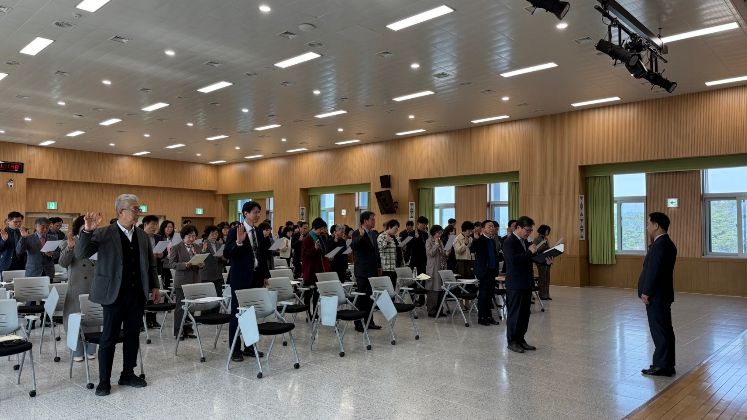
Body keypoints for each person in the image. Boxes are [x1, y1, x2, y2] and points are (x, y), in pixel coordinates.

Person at [75, 194, 160, 396]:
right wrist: (87, 230)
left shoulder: (142, 235)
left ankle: (128, 374)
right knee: (109, 337)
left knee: (132, 335)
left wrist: (154, 286)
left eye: (139, 209)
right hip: (113, 294)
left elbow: (151, 263)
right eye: (135, 209)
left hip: (137, 294)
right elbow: (81, 253)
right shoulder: (104, 233)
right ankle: (104, 380)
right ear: (121, 211)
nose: (138, 213)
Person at [225, 201, 267, 362]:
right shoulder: (236, 230)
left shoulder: (258, 232)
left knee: (251, 313)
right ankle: (235, 349)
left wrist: (265, 275)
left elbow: (262, 256)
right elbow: (228, 253)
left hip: (255, 277)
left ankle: (250, 346)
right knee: (237, 314)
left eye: (258, 212)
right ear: (245, 213)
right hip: (240, 278)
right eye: (255, 212)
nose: (257, 215)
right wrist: (239, 242)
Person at [503, 216, 551, 353]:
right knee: (515, 313)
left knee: (524, 313)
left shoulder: (525, 241)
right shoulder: (509, 242)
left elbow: (531, 258)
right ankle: (512, 341)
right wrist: (529, 251)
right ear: (518, 227)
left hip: (526, 282)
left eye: (530, 230)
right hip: (515, 283)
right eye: (527, 230)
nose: (529, 233)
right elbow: (513, 260)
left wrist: (545, 262)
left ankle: (521, 339)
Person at [639, 212, 678, 377]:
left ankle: (662, 366)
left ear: (656, 226)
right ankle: (667, 364)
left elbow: (654, 271)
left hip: (656, 295)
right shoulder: (666, 243)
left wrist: (646, 291)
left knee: (660, 330)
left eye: (649, 224)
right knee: (665, 329)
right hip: (662, 294)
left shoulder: (660, 245)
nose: (647, 227)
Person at [59, 215, 97, 361]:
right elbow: (63, 263)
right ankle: (76, 351)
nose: (89, 228)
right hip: (77, 286)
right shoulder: (70, 241)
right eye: (85, 226)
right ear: (79, 227)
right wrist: (70, 248)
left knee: (93, 318)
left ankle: (91, 348)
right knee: (74, 320)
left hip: (94, 285)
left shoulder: (97, 242)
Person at [350, 211, 382, 332]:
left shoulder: (373, 234)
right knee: (362, 298)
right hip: (362, 271)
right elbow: (353, 246)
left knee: (370, 298)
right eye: (372, 219)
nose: (374, 221)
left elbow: (376, 252)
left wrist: (379, 266)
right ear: (365, 221)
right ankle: (359, 323)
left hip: (372, 270)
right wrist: (361, 236)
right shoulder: (357, 233)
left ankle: (369, 322)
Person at [470, 220, 500, 326]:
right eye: (489, 226)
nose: (492, 228)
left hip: (492, 271)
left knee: (490, 295)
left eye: (493, 226)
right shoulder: (480, 240)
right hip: (484, 271)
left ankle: (489, 316)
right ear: (483, 229)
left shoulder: (492, 240)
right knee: (483, 295)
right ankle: (482, 317)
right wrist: (475, 239)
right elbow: (473, 249)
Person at [301, 218, 330, 316]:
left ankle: (315, 313)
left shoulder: (319, 237)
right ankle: (308, 314)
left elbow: (322, 251)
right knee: (308, 294)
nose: (321, 231)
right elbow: (305, 256)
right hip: (310, 270)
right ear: (314, 227)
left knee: (317, 293)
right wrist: (314, 249)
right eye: (320, 229)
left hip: (318, 270)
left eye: (322, 229)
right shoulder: (307, 238)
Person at [141, 215, 165, 329]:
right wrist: (150, 255)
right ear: (145, 225)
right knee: (143, 297)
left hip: (155, 269)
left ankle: (152, 320)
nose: (155, 227)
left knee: (154, 295)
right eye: (153, 224)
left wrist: (161, 255)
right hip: (143, 271)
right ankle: (141, 322)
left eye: (156, 224)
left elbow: (164, 253)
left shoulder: (159, 237)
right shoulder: (139, 236)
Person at [425, 225, 447, 317]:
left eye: (441, 233)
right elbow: (430, 253)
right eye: (439, 233)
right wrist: (436, 245)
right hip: (433, 268)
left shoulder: (440, 241)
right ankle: (431, 310)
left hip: (441, 267)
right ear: (434, 232)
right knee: (433, 288)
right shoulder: (429, 241)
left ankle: (440, 310)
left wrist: (446, 252)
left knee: (441, 288)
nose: (440, 234)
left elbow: (442, 254)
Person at [199, 225, 226, 301]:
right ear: (208, 234)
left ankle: (217, 309)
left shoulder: (220, 244)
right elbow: (199, 259)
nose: (214, 236)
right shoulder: (202, 244)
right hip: (207, 274)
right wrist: (203, 250)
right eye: (212, 234)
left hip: (218, 274)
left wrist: (222, 257)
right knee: (207, 297)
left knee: (218, 296)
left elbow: (225, 259)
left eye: (216, 234)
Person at [378, 219, 403, 289]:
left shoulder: (395, 237)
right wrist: (387, 241)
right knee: (388, 289)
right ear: (389, 227)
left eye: (397, 229)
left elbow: (397, 249)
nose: (396, 230)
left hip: (396, 267)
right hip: (387, 268)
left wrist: (402, 247)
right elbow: (380, 248)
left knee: (394, 288)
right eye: (395, 228)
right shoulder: (381, 236)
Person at [533, 225, 553, 300]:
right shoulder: (537, 239)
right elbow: (536, 250)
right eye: (547, 231)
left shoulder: (545, 238)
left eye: (548, 231)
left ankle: (547, 294)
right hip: (541, 260)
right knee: (542, 278)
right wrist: (543, 244)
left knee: (547, 278)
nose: (548, 232)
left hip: (547, 260)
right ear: (543, 230)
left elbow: (547, 248)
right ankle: (542, 295)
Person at [158, 220, 176, 288]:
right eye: (168, 227)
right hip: (163, 262)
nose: (170, 229)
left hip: (172, 261)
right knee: (164, 281)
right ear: (163, 227)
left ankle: (169, 293)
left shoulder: (173, 238)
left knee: (170, 281)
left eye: (171, 227)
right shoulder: (159, 237)